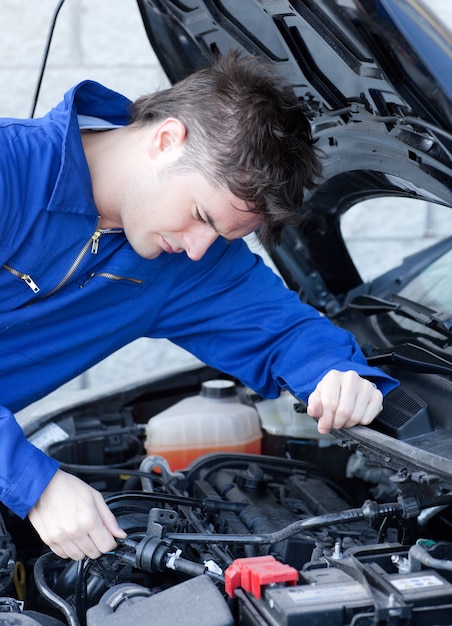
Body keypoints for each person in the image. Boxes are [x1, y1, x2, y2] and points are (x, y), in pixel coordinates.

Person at [0, 51, 397, 562]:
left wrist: (338, 375)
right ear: (167, 140)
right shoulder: (10, 169)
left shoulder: (185, 263)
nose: (196, 248)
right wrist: (36, 484)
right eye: (199, 215)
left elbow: (283, 332)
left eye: (219, 235)